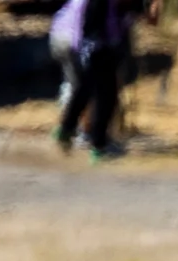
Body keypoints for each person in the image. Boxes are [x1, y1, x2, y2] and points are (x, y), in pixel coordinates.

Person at [50, 0, 136, 161]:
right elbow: (91, 23)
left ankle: (67, 129)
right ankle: (96, 145)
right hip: (88, 44)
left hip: (79, 40)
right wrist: (97, 46)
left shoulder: (115, 7)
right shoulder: (99, 4)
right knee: (104, 95)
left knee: (86, 89)